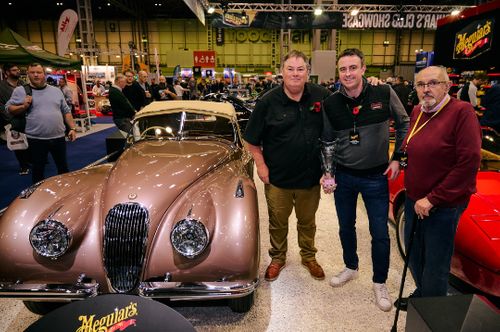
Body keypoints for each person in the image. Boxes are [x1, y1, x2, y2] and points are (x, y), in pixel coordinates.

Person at [321, 48, 409, 312]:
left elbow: (404, 122)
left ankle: (379, 282)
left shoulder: (383, 92)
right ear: (339, 72)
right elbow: (327, 141)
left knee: (380, 232)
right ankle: (351, 266)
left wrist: (398, 158)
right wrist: (329, 172)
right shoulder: (331, 103)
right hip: (345, 176)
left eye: (353, 68)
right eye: (343, 69)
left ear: (363, 69)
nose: (348, 73)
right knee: (346, 226)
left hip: (376, 176)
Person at [396, 66, 482, 311]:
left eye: (433, 83)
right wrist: (398, 160)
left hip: (442, 204)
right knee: (414, 254)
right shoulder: (417, 111)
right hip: (414, 198)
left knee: (435, 261)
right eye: (421, 85)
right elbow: (409, 143)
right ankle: (423, 294)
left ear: (447, 86)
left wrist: (433, 199)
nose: (426, 89)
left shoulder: (462, 112)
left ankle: (431, 311)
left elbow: (468, 162)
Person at [244, 50, 331, 282]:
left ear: (308, 72)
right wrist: (261, 167)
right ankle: (278, 258)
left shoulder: (322, 96)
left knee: (307, 222)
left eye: (300, 69)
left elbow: (340, 122)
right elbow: (251, 140)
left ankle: (308, 256)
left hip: (310, 178)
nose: (295, 74)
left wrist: (370, 83)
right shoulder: (267, 102)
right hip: (278, 179)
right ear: (282, 72)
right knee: (278, 223)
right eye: (290, 69)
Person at [6, 63, 77, 184]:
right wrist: (23, 106)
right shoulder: (21, 91)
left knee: (63, 168)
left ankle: (66, 194)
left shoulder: (56, 91)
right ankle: (38, 197)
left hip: (58, 137)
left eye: (38, 72)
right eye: (32, 72)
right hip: (36, 139)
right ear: (28, 74)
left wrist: (72, 128)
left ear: (44, 74)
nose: (35, 75)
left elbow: (66, 111)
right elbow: (9, 108)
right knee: (38, 170)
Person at [0, 63, 31, 175]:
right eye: (14, 70)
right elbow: (1, 106)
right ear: (7, 72)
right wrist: (9, 119)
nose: (17, 71)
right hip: (13, 119)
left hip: (27, 118)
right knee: (18, 143)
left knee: (30, 141)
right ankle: (23, 166)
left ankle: (30, 160)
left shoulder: (23, 85)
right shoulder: (1, 87)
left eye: (18, 69)